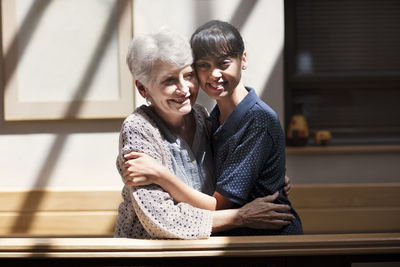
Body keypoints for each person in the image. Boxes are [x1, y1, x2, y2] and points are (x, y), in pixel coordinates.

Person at [123, 20, 302, 236]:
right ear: (142, 88)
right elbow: (164, 220)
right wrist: (242, 214)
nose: (184, 88)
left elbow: (225, 193)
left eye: (188, 75)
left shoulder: (205, 117)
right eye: (170, 80)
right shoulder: (142, 130)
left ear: (243, 60)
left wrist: (265, 177)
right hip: (152, 250)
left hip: (253, 243)